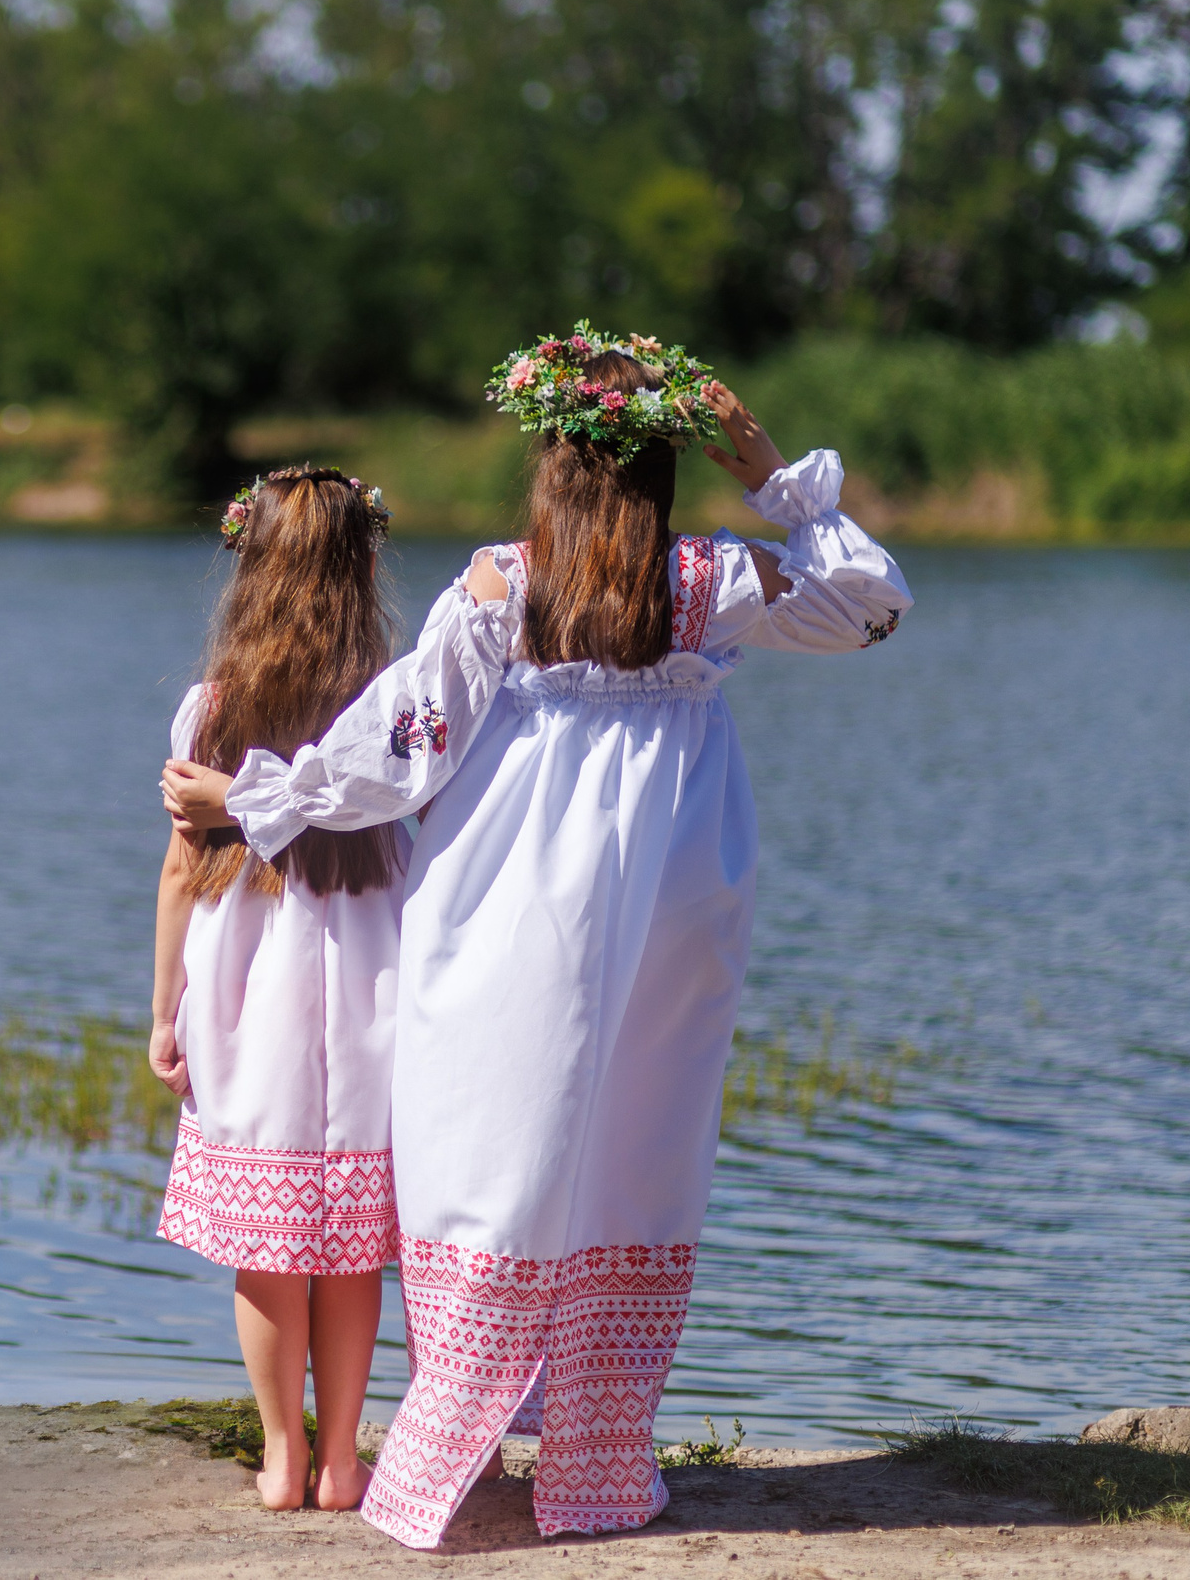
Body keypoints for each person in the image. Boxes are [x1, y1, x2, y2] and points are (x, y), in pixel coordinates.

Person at [162, 329, 912, 1549]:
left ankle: (447, 1448)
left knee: (491, 1146)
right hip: (670, 908)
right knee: (634, 1142)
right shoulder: (708, 582)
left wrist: (265, 796)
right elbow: (869, 607)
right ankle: (596, 1465)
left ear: (553, 464)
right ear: (662, 464)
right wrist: (776, 478)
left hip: (507, 907)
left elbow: (402, 749)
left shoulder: (502, 589)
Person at [148, 465, 408, 1513]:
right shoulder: (391, 703)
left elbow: (181, 868)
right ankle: (343, 1457)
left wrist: (162, 1010)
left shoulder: (212, 707)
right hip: (368, 974)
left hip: (247, 983)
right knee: (348, 1244)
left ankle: (281, 1455)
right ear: (362, 571)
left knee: (267, 1242)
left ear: (247, 567)